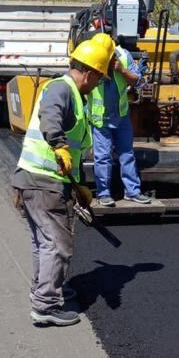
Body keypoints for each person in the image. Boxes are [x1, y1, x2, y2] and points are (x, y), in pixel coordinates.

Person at [12, 33, 115, 327]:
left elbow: (74, 150)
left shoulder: (73, 94)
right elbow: (50, 117)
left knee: (42, 242)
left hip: (35, 180)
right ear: (90, 72)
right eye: (99, 78)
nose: (98, 84)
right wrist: (57, 144)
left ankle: (44, 289)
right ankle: (46, 305)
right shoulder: (62, 89)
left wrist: (79, 186)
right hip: (43, 183)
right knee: (57, 243)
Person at [87, 42, 151, 207]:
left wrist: (121, 69)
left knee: (127, 154)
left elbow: (138, 80)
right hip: (100, 118)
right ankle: (103, 194)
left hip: (121, 117)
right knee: (102, 158)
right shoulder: (91, 57)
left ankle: (133, 191)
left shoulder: (123, 55)